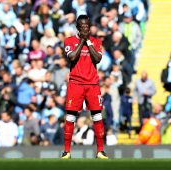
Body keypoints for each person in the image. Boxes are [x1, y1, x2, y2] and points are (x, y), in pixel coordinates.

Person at [62, 15, 108, 159]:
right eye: (82, 26)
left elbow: (97, 59)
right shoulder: (69, 41)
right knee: (70, 117)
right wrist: (82, 41)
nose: (85, 28)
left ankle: (100, 151)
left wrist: (88, 41)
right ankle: (67, 151)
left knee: (97, 116)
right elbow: (72, 57)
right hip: (76, 83)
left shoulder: (96, 41)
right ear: (77, 28)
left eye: (87, 26)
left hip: (92, 84)